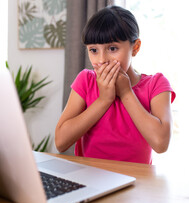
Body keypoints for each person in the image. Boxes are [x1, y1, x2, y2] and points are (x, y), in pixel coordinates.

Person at [55, 5, 176, 164]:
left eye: (112, 48)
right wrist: (103, 100)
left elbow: (161, 144)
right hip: (91, 178)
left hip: (137, 181)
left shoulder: (156, 85)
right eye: (93, 50)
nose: (102, 60)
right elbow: (60, 142)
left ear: (135, 48)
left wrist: (126, 93)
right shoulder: (86, 80)